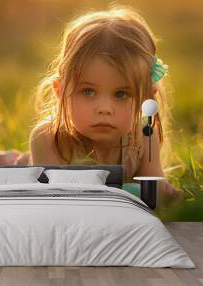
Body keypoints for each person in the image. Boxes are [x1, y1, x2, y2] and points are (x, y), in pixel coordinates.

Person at [28, 5, 183, 203]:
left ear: (146, 98)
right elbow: (55, 199)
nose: (104, 108)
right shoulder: (50, 138)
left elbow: (154, 189)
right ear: (60, 91)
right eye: (88, 91)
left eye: (121, 94)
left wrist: (165, 193)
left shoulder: (144, 138)